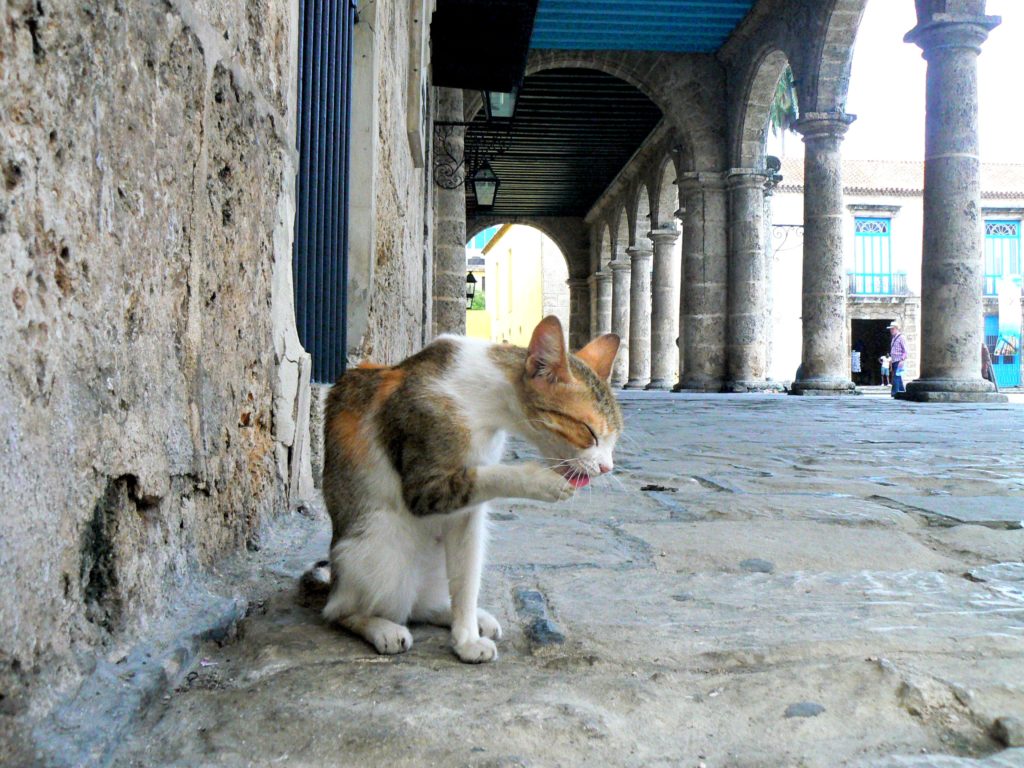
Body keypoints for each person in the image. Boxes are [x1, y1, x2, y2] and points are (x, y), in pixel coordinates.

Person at [887, 321, 907, 395]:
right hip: (894, 360)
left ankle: (894, 392)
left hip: (899, 360)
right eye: (891, 329)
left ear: (896, 329)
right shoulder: (893, 338)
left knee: (896, 376)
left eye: (892, 329)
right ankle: (902, 391)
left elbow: (905, 350)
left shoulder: (901, 337)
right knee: (898, 376)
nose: (891, 330)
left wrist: (902, 360)